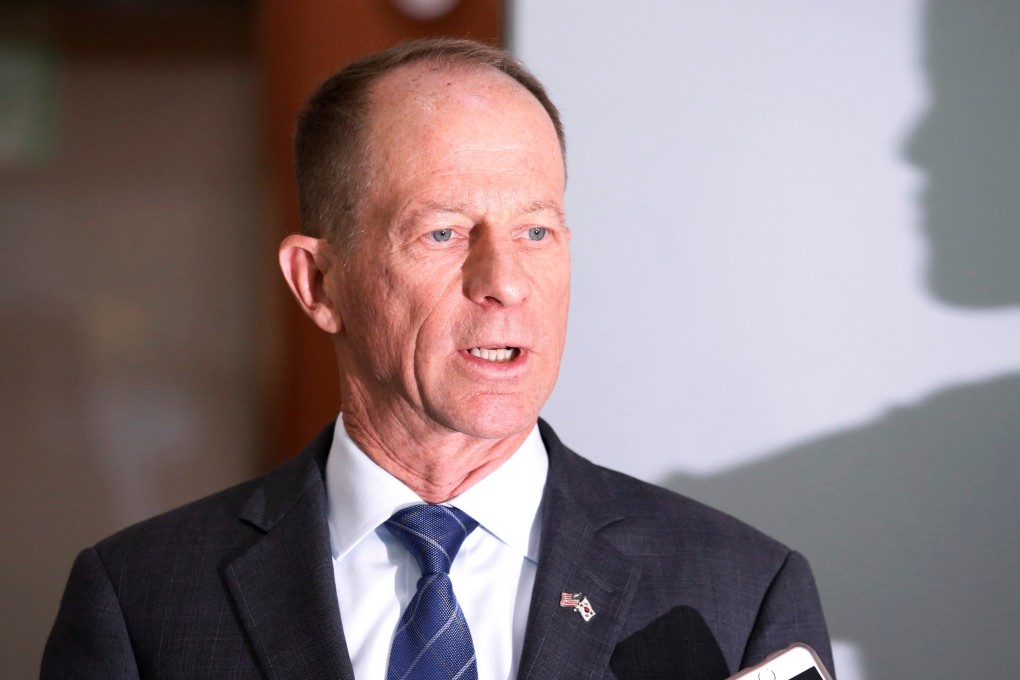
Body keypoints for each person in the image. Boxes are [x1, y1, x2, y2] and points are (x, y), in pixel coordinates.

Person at [42, 38, 832, 679]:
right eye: (444, 232)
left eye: (535, 231)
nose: (505, 283)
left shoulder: (742, 592)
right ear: (318, 283)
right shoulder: (140, 600)